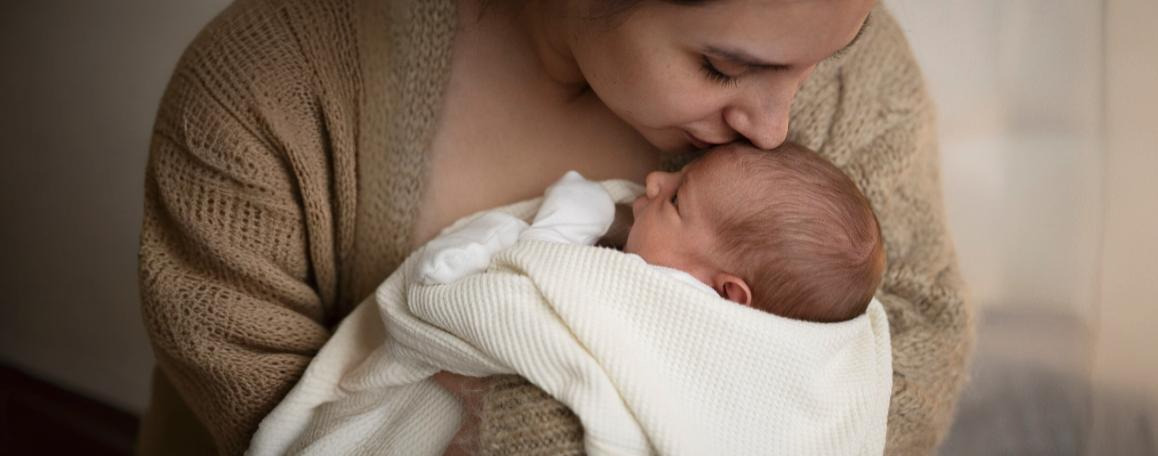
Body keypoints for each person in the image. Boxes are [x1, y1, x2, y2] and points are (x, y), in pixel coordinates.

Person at [136, 0, 971, 454]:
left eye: (821, 63)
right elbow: (272, 409)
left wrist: (542, 438)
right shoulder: (264, 86)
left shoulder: (843, 53)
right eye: (723, 68)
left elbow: (915, 345)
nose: (778, 126)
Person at [250, 142, 891, 455]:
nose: (655, 178)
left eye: (676, 200)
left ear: (726, 294)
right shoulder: (698, 277)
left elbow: (494, 299)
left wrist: (561, 228)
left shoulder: (662, 301)